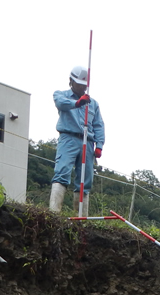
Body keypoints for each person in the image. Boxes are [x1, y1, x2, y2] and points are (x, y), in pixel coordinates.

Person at [49, 66, 105, 216]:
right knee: (62, 172)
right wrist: (77, 103)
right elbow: (61, 103)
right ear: (71, 81)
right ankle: (54, 213)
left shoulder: (93, 103)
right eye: (79, 83)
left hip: (88, 142)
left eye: (84, 84)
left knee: (85, 180)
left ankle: (81, 216)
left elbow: (98, 125)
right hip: (68, 138)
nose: (81, 87)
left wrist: (99, 145)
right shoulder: (61, 95)